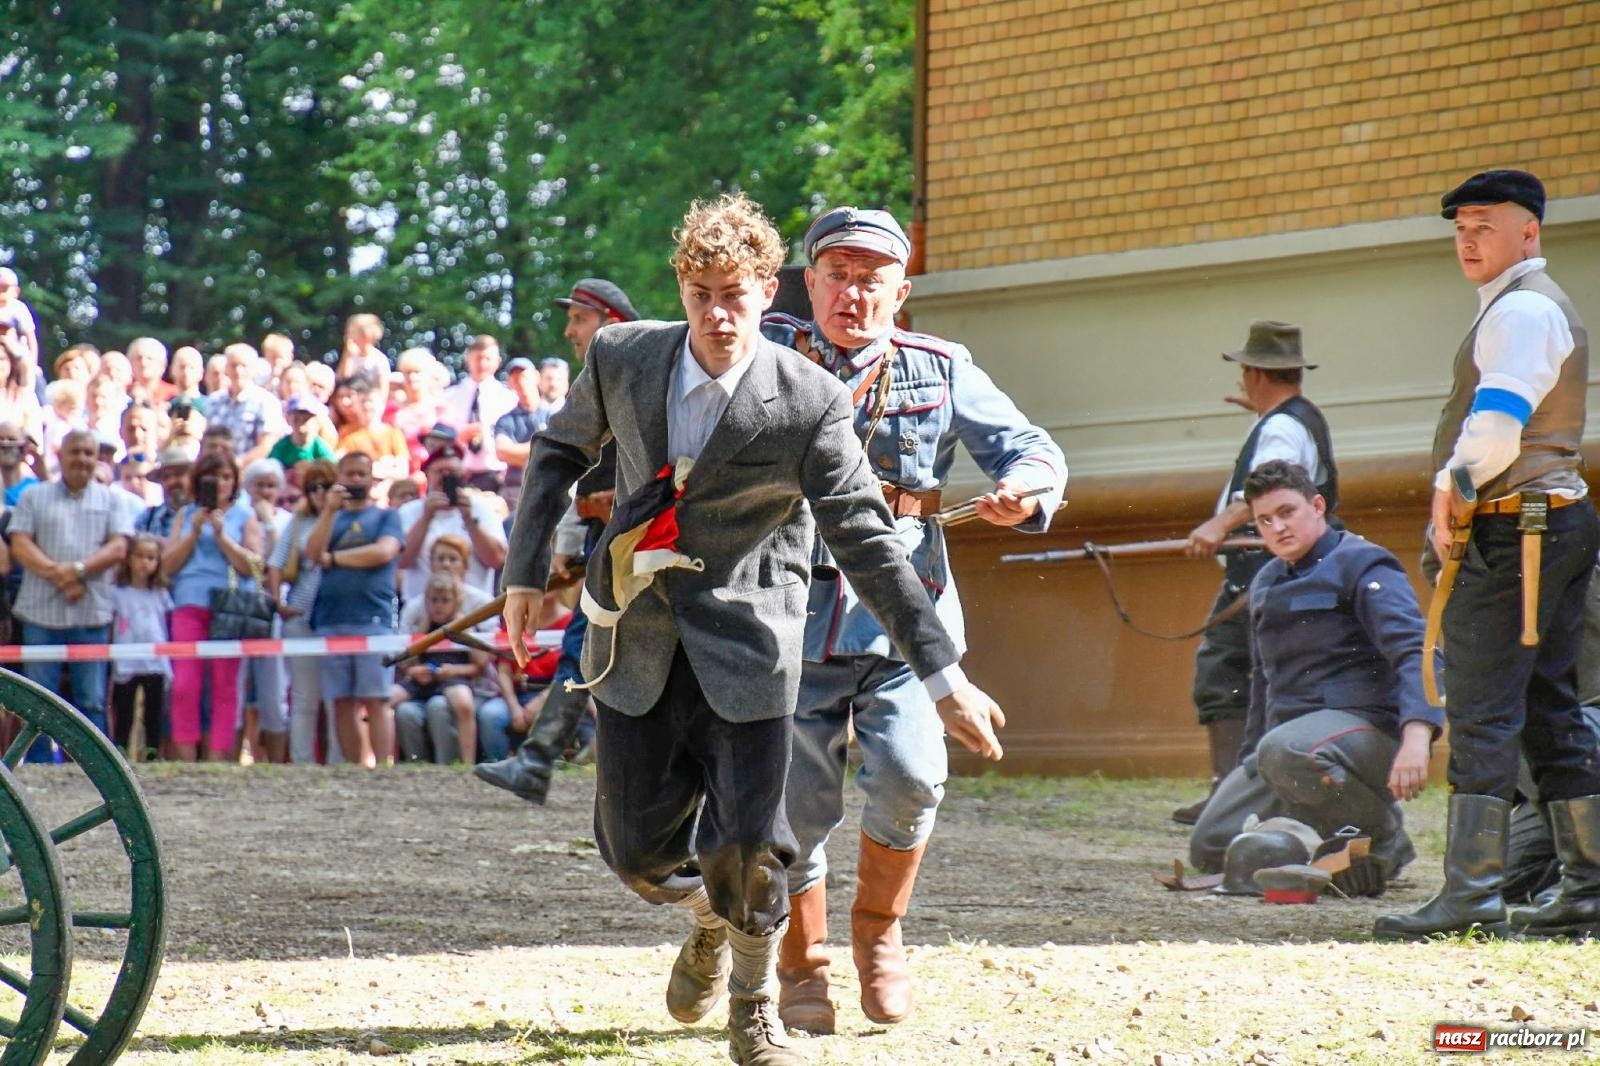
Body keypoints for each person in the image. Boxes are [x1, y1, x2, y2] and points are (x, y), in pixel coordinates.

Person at [500, 192, 1005, 1066]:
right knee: (633, 851)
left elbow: (867, 540)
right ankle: (706, 913)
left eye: (737, 294)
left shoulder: (806, 398)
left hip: (757, 645)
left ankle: (754, 1003)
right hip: (637, 636)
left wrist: (942, 673)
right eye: (702, 295)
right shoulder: (623, 357)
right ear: (682, 290)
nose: (720, 315)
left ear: (770, 290)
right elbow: (557, 453)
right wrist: (523, 574)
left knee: (751, 843)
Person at [755, 206, 1065, 1033]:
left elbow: (1033, 448)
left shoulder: (940, 367)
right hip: (787, 614)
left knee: (913, 777)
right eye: (837, 276)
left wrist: (1025, 490)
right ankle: (802, 963)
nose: (852, 294)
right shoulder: (765, 352)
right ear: (811, 281)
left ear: (902, 290)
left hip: (906, 623)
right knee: (795, 802)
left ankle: (880, 936)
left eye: (870, 279)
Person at [1375, 170, 1600, 941]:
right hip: (1549, 522)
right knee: (1548, 707)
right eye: (1461, 226)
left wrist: (1452, 489)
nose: (1468, 238)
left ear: (1528, 233)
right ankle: (1587, 891)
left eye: (1485, 224)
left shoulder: (1525, 309)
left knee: (1482, 708)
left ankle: (1472, 895)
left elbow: (1499, 419)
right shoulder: (1523, 307)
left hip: (1518, 528)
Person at [1187, 460, 1435, 881]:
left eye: (1287, 512)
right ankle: (1324, 851)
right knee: (1213, 845)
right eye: (1265, 520)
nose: (1277, 528)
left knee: (1287, 751)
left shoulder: (1362, 562)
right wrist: (1251, 762)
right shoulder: (1267, 579)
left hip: (1366, 738)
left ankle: (1383, 840)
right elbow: (1265, 683)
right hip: (1290, 746)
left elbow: (1417, 652)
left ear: (1317, 505)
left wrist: (1417, 737)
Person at [474, 276, 639, 803]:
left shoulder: (643, 379)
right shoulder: (596, 383)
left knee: (590, 654)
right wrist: (567, 545)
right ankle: (540, 761)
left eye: (579, 319)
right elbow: (578, 476)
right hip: (605, 549)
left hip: (648, 549)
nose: (569, 331)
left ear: (611, 324)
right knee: (585, 653)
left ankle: (541, 761)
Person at [1173, 320, 1340, 826]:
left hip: (1261, 571)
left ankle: (1229, 796)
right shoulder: (1288, 419)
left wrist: (1216, 525)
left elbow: (1271, 492)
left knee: (1222, 671)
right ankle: (1247, 791)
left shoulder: (1282, 428)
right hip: (1277, 570)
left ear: (1254, 373)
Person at [8, 429, 131, 748]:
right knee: (37, 700)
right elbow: (20, 544)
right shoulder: (34, 495)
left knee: (91, 700)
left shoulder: (112, 499)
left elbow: (119, 548)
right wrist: (60, 576)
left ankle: (94, 769)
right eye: (75, 452)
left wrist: (76, 571)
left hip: (91, 614)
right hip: (40, 613)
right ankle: (38, 768)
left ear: (97, 459)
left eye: (88, 453)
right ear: (60, 456)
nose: (82, 459)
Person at [305, 451, 404, 768]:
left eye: (362, 473)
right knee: (341, 702)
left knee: (376, 699)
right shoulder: (331, 517)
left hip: (373, 619)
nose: (355, 480)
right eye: (349, 473)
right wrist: (329, 512)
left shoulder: (387, 516)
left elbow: (383, 552)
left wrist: (335, 559)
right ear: (339, 477)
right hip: (332, 619)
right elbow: (311, 553)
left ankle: (383, 766)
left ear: (371, 478)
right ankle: (354, 767)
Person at [162, 451, 263, 761]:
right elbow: (168, 565)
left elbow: (253, 565)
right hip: (188, 603)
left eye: (225, 477)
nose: (218, 484)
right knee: (185, 686)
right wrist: (194, 532)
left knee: (224, 686)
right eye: (211, 477)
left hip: (227, 608)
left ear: (234, 482)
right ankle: (186, 756)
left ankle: (219, 756)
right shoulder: (185, 515)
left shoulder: (245, 515)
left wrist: (222, 536)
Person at [266, 458, 341, 765]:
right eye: (314, 487)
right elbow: (275, 563)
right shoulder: (297, 522)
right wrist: (278, 602)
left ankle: (341, 759)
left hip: (336, 616)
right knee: (303, 696)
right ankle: (301, 761)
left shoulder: (345, 519)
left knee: (337, 697)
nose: (320, 493)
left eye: (326, 485)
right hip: (301, 616)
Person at [395, 440, 507, 603]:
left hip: (474, 609)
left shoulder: (481, 508)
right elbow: (401, 561)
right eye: (440, 472)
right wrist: (426, 518)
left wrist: (469, 520)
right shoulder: (409, 511)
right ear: (427, 474)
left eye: (452, 472)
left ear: (464, 475)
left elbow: (497, 560)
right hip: (420, 609)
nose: (446, 477)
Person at [393, 572, 487, 764]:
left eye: (445, 601)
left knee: (464, 704)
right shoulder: (422, 623)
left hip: (454, 676)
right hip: (422, 678)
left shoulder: (463, 625)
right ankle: (388, 761)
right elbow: (406, 662)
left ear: (456, 601)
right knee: (385, 699)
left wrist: (454, 670)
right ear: (426, 601)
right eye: (434, 600)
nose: (439, 606)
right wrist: (414, 670)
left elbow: (480, 665)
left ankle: (467, 763)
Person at [239, 459, 292, 764]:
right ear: (248, 487)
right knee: (238, 689)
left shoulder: (287, 521)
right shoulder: (239, 517)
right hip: (241, 609)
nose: (265, 491)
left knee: (274, 692)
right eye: (259, 484)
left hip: (274, 612)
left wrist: (270, 525)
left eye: (271, 485)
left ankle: (274, 760)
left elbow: (281, 563)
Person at [108, 533, 173, 758]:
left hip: (154, 662)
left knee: (153, 714)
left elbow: (165, 626)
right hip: (126, 662)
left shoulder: (161, 593)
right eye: (140, 556)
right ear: (128, 559)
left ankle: (152, 754)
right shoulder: (116, 592)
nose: (145, 562)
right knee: (124, 712)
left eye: (151, 557)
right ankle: (121, 754)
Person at [438, 334, 516, 492]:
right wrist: (458, 437)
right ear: (468, 359)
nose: (482, 364)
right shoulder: (449, 397)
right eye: (478, 358)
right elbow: (439, 439)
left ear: (498, 361)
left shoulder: (509, 399)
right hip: (459, 473)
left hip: (496, 474)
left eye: (488, 358)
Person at [207, 343, 287, 467]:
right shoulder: (213, 401)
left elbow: (267, 445)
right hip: (214, 471)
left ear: (253, 370)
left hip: (251, 474)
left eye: (243, 366)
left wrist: (236, 466)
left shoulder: (267, 402)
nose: (238, 371)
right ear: (226, 369)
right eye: (233, 365)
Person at [493, 357, 549, 513]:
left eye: (524, 376)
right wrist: (542, 445)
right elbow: (503, 452)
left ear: (536, 377)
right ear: (510, 383)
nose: (521, 382)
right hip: (514, 490)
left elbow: (560, 450)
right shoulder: (505, 420)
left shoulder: (555, 414)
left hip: (548, 488)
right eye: (515, 378)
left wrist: (520, 451)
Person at [136, 446, 193, 540]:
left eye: (178, 474)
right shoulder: (148, 518)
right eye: (166, 477)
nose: (172, 482)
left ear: (191, 477)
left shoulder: (204, 513)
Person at [269, 396, 336, 470]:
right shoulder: (280, 447)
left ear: (317, 420)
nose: (301, 423)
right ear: (288, 419)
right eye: (296, 418)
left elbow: (333, 471)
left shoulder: (320, 448)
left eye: (306, 418)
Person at [0, 421, 40, 508]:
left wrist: (43, 471)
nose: (5, 444)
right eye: (1, 439)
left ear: (24, 448)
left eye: (11, 440)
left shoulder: (35, 488)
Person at [128, 337, 175, 406]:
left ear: (162, 365)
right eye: (139, 358)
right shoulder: (123, 393)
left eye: (149, 358)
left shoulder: (173, 395)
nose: (143, 363)